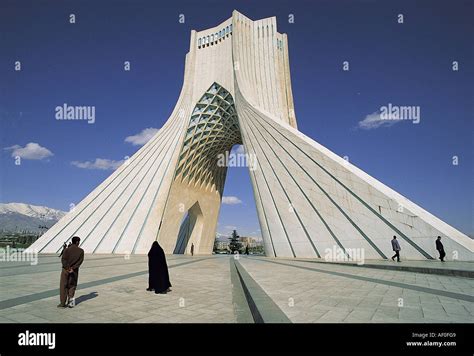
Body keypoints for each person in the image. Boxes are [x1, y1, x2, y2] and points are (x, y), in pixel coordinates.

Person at [58, 236, 84, 308]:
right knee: (72, 286)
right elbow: (80, 262)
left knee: (63, 286)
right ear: (77, 242)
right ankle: (71, 303)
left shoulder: (66, 250)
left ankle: (62, 303)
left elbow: (63, 260)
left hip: (65, 270)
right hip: (74, 271)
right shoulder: (81, 251)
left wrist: (68, 268)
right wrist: (73, 268)